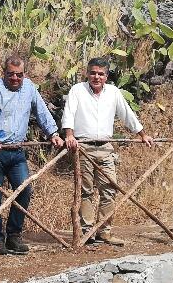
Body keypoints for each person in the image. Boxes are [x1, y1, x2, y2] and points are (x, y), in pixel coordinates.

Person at [61, 57, 155, 246]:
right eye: (93, 73)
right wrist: (69, 135)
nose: (96, 77)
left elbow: (127, 114)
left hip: (105, 147)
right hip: (83, 147)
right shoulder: (77, 90)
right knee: (86, 191)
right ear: (87, 73)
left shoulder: (113, 92)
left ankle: (104, 231)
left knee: (110, 189)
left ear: (106, 76)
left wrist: (142, 134)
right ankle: (87, 233)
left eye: (100, 74)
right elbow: (69, 113)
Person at [0, 56, 64, 255]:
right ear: (4, 73)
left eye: (19, 75)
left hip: (17, 151)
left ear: (24, 74)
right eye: (11, 74)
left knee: (24, 190)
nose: (15, 78)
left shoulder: (30, 88)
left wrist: (53, 133)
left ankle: (14, 236)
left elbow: (41, 111)